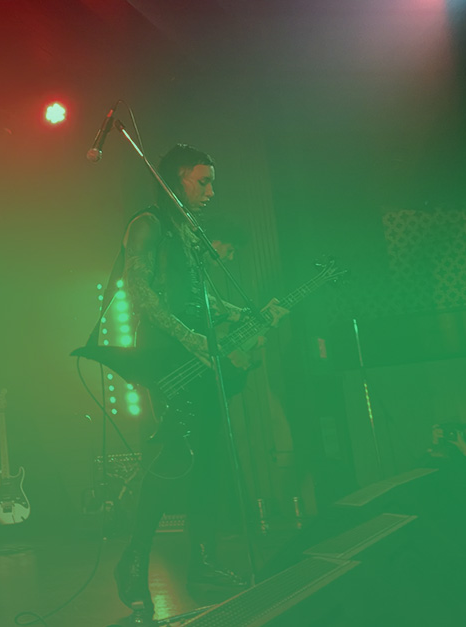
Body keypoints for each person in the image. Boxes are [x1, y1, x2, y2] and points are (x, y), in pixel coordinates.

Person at [111, 144, 287, 611]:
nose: (212, 190)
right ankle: (134, 559)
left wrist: (248, 313)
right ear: (176, 180)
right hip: (166, 356)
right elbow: (140, 289)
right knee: (172, 459)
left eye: (213, 181)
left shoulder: (189, 231)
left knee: (209, 459)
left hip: (199, 355)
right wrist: (188, 337)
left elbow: (201, 296)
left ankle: (203, 560)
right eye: (202, 181)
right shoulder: (146, 224)